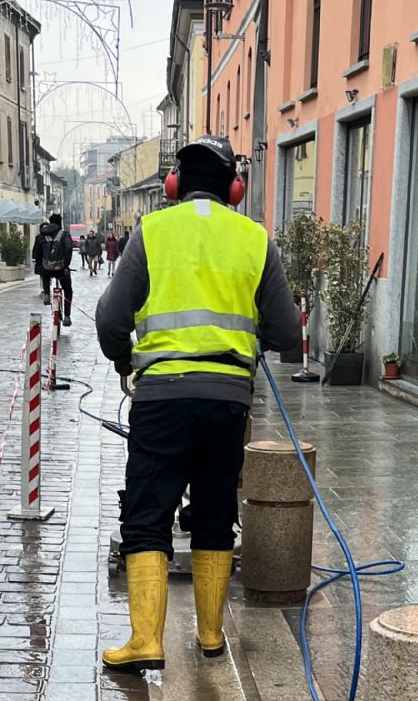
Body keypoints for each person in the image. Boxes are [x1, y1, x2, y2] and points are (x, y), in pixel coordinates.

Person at [95, 134, 301, 671]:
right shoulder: (255, 239)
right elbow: (287, 332)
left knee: (147, 515)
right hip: (227, 403)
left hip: (161, 398)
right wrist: (245, 339)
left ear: (173, 186)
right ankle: (210, 636)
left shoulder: (152, 231)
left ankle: (146, 641)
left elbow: (111, 319)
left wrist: (124, 358)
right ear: (235, 189)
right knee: (214, 513)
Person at [36, 211, 75, 322]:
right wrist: (66, 265)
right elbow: (69, 248)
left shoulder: (42, 235)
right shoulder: (65, 234)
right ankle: (67, 316)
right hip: (61, 268)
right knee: (68, 290)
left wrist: (39, 264)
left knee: (45, 272)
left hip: (47, 269)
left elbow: (37, 253)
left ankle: (47, 294)